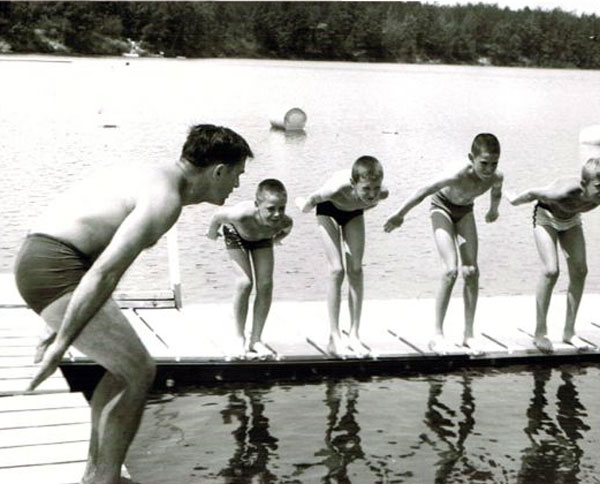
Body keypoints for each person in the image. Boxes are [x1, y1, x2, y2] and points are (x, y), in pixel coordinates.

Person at [14, 124, 253, 484]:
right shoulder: (165, 199)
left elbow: (97, 255)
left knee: (123, 368)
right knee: (139, 370)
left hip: (44, 257)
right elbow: (104, 274)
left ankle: (97, 474)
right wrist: (60, 343)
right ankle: (104, 479)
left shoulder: (154, 176)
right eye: (236, 175)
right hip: (55, 265)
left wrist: (62, 322)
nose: (236, 186)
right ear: (218, 170)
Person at [384, 133, 503, 355]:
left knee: (471, 271)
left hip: (465, 210)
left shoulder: (496, 176)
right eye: (483, 163)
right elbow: (423, 191)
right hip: (442, 207)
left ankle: (469, 335)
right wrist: (400, 214)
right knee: (450, 270)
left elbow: (497, 192)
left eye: (493, 164)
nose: (488, 169)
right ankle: (437, 334)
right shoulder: (456, 175)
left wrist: (493, 210)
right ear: (471, 158)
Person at [295, 156, 388, 358]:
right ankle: (334, 336)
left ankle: (354, 334)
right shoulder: (336, 188)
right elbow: (312, 200)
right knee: (337, 270)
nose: (372, 194)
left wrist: (365, 202)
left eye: (376, 188)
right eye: (366, 189)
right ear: (353, 184)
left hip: (353, 213)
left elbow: (373, 199)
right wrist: (304, 205)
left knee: (356, 269)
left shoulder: (381, 193)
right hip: (327, 209)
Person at [506, 157, 600, 353]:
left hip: (571, 220)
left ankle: (569, 331)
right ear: (584, 184)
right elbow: (533, 193)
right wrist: (513, 199)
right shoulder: (563, 192)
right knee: (551, 271)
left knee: (580, 270)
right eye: (598, 186)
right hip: (546, 216)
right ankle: (540, 332)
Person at [207, 179, 293, 359]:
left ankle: (256, 339)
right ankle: (239, 337)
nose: (277, 214)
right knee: (245, 283)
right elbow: (217, 217)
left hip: (263, 237)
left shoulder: (282, 221)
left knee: (266, 284)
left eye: (282, 208)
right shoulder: (240, 215)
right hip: (236, 232)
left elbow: (287, 229)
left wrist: (275, 240)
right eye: (270, 209)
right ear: (257, 205)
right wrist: (212, 234)